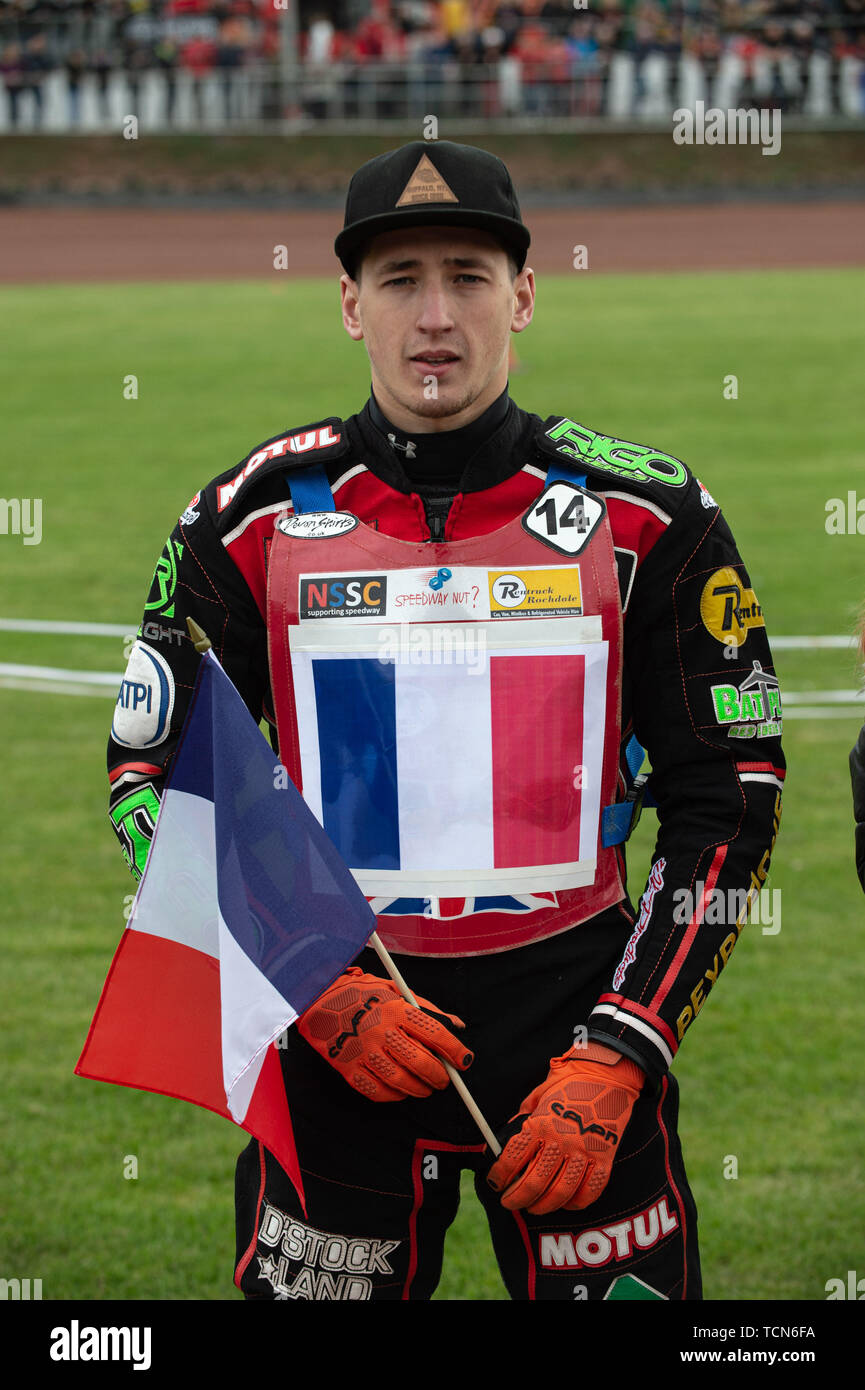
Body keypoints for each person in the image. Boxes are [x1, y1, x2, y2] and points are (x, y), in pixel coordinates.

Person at [108, 140, 785, 1301]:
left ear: (522, 295)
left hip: (580, 1032)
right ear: (347, 305)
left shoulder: (651, 517)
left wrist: (626, 1043)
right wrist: (313, 983)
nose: (435, 315)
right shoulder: (245, 520)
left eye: (468, 275)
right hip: (338, 1036)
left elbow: (731, 797)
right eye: (399, 279)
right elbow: (152, 775)